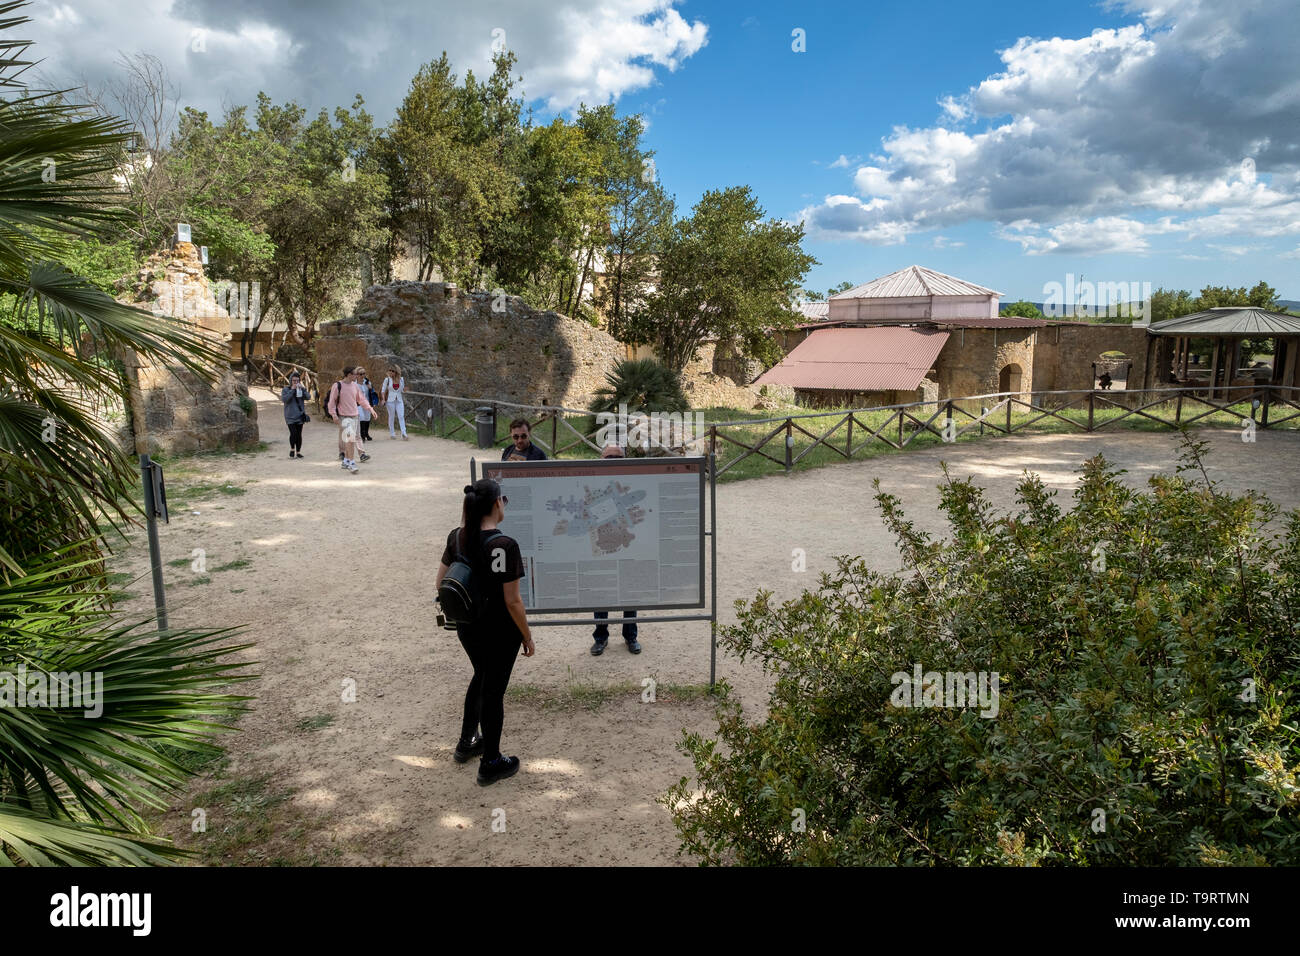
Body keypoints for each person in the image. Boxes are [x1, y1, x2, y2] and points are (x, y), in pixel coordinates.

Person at [436, 479, 535, 786]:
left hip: (468, 628)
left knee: (481, 677)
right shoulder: (504, 545)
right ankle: (491, 761)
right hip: (500, 631)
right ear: (495, 504)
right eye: (502, 499)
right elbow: (512, 600)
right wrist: (527, 636)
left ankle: (468, 742)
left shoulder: (457, 538)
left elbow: (440, 582)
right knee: (493, 691)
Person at [591, 442, 640, 655]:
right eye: (608, 458)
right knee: (602, 592)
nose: (612, 463)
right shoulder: (593, 483)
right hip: (604, 546)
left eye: (617, 459)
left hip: (627, 545)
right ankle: (600, 637)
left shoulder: (633, 483)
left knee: (629, 591)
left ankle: (631, 636)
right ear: (601, 460)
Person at [327, 366, 375, 474]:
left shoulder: (355, 386)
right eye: (355, 374)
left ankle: (346, 460)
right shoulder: (337, 386)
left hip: (355, 416)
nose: (357, 376)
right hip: (344, 417)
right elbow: (332, 402)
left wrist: (370, 409)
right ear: (349, 375)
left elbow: (361, 399)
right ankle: (352, 463)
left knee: (350, 440)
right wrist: (334, 415)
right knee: (350, 440)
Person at [280, 371, 309, 459]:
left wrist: (303, 389)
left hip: (300, 415)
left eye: (297, 381)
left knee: (299, 434)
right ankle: (292, 449)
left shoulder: (301, 389)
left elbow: (308, 397)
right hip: (290, 416)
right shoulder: (286, 389)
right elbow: (285, 399)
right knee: (293, 433)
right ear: (290, 381)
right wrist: (292, 390)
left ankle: (298, 452)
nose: (295, 382)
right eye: (294, 381)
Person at [381, 365, 408, 440]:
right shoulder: (387, 380)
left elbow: (402, 390)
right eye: (390, 370)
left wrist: (404, 390)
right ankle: (392, 433)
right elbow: (383, 390)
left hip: (399, 400)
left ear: (396, 372)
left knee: (401, 416)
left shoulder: (401, 379)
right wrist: (383, 399)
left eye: (392, 371)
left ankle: (404, 433)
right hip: (390, 401)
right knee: (391, 416)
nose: (391, 372)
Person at [357, 367, 375, 443]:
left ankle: (366, 434)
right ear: (357, 375)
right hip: (358, 403)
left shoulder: (367, 382)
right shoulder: (354, 384)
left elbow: (372, 393)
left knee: (367, 418)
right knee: (362, 417)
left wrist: (370, 388)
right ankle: (362, 435)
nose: (363, 375)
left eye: (364, 373)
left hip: (367, 403)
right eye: (361, 374)